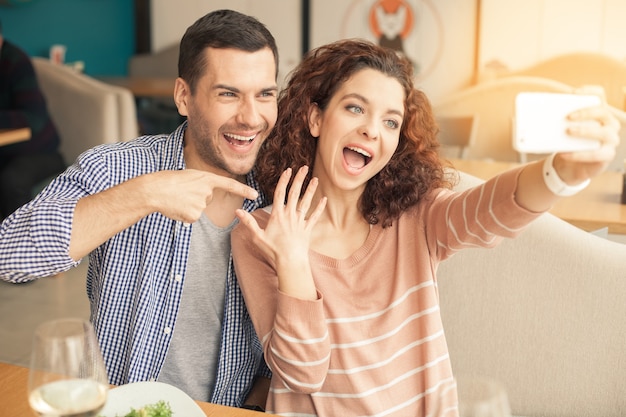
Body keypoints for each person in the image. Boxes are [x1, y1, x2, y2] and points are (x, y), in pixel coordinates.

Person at [231, 39, 620, 416]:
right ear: (315, 118)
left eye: (390, 121)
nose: (372, 130)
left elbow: (489, 211)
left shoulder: (416, 215)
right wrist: (294, 262)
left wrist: (562, 174)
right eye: (354, 108)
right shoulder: (260, 234)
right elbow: (302, 373)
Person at [0, 9, 279, 409]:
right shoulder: (116, 169)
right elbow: (9, 255)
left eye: (265, 94)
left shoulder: (278, 188)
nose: (252, 117)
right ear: (184, 96)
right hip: (115, 406)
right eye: (228, 93)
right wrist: (143, 194)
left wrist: (262, 389)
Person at [0, 19, 66, 220]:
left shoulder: (16, 62)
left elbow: (33, 118)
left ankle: (17, 247)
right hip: (6, 149)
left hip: (40, 151)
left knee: (11, 181)